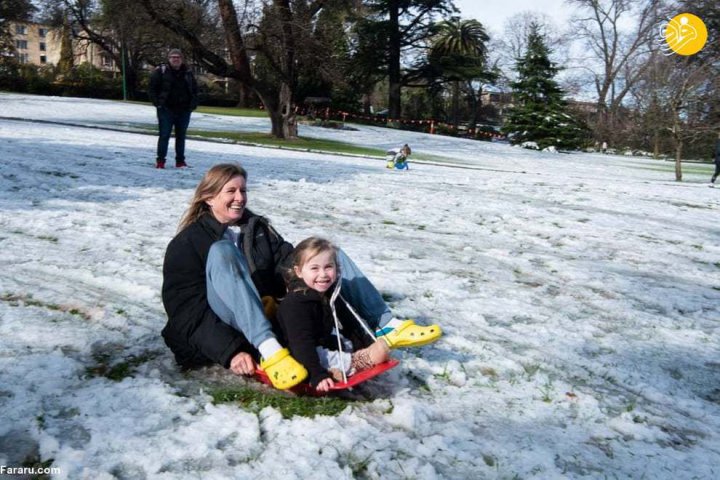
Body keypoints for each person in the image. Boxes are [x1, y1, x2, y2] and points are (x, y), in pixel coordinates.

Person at [161, 163, 442, 390]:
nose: (240, 198)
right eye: (230, 191)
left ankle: (386, 324)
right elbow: (186, 311)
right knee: (223, 252)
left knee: (328, 255)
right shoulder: (188, 243)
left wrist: (319, 272)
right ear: (209, 197)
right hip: (227, 325)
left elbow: (290, 265)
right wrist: (230, 351)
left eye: (243, 191)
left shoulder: (256, 228)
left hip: (264, 314)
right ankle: (271, 351)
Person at [276, 237, 391, 392]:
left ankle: (349, 362)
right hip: (296, 352)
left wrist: (366, 344)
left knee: (342, 340)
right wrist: (316, 375)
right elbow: (301, 344)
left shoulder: (330, 293)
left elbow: (350, 323)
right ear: (299, 272)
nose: (323, 274)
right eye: (314, 268)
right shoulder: (295, 304)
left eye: (328, 267)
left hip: (320, 341)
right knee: (320, 354)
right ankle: (355, 363)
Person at [148, 48, 198, 169]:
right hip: (166, 109)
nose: (175, 59)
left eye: (178, 57)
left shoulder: (188, 73)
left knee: (181, 137)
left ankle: (180, 161)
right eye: (173, 57)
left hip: (184, 110)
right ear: (169, 59)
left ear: (182, 59)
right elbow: (152, 89)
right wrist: (158, 104)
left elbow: (195, 90)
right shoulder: (161, 71)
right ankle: (160, 162)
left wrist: (193, 104)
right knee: (164, 135)